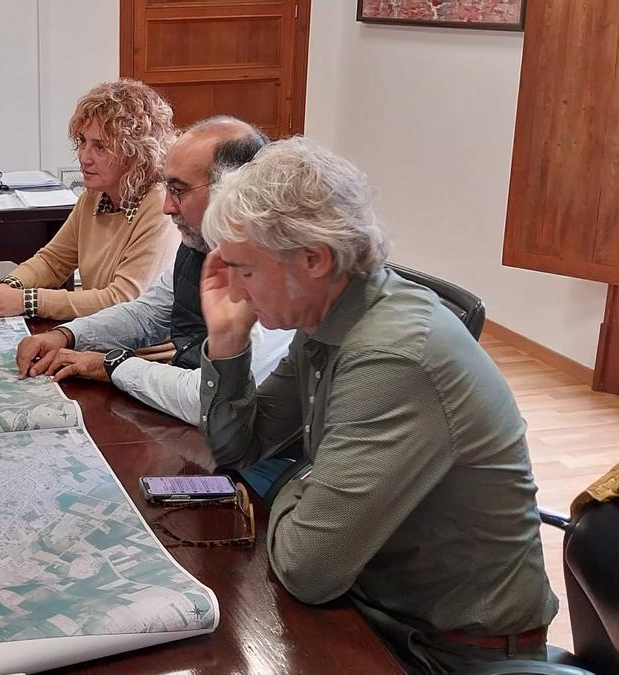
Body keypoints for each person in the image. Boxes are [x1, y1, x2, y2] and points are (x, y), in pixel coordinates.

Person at [196, 136, 557, 673]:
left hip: (450, 651)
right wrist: (227, 343)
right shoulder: (329, 316)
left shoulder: (391, 355)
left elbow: (309, 567)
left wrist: (301, 482)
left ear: (312, 259)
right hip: (381, 610)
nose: (238, 292)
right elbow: (240, 449)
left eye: (245, 270)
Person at [13, 116, 295, 497]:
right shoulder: (200, 243)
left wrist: (112, 365)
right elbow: (150, 311)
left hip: (262, 469)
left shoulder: (274, 270)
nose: (166, 207)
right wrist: (70, 334)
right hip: (204, 437)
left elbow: (204, 400)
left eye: (178, 191)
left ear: (236, 190)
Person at [0, 79, 179, 321]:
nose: (84, 157)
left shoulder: (160, 205)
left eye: (100, 147)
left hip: (141, 353)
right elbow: (52, 261)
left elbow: (122, 299)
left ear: (135, 153)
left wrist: (26, 301)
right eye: (82, 142)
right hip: (99, 337)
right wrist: (8, 287)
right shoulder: (95, 196)